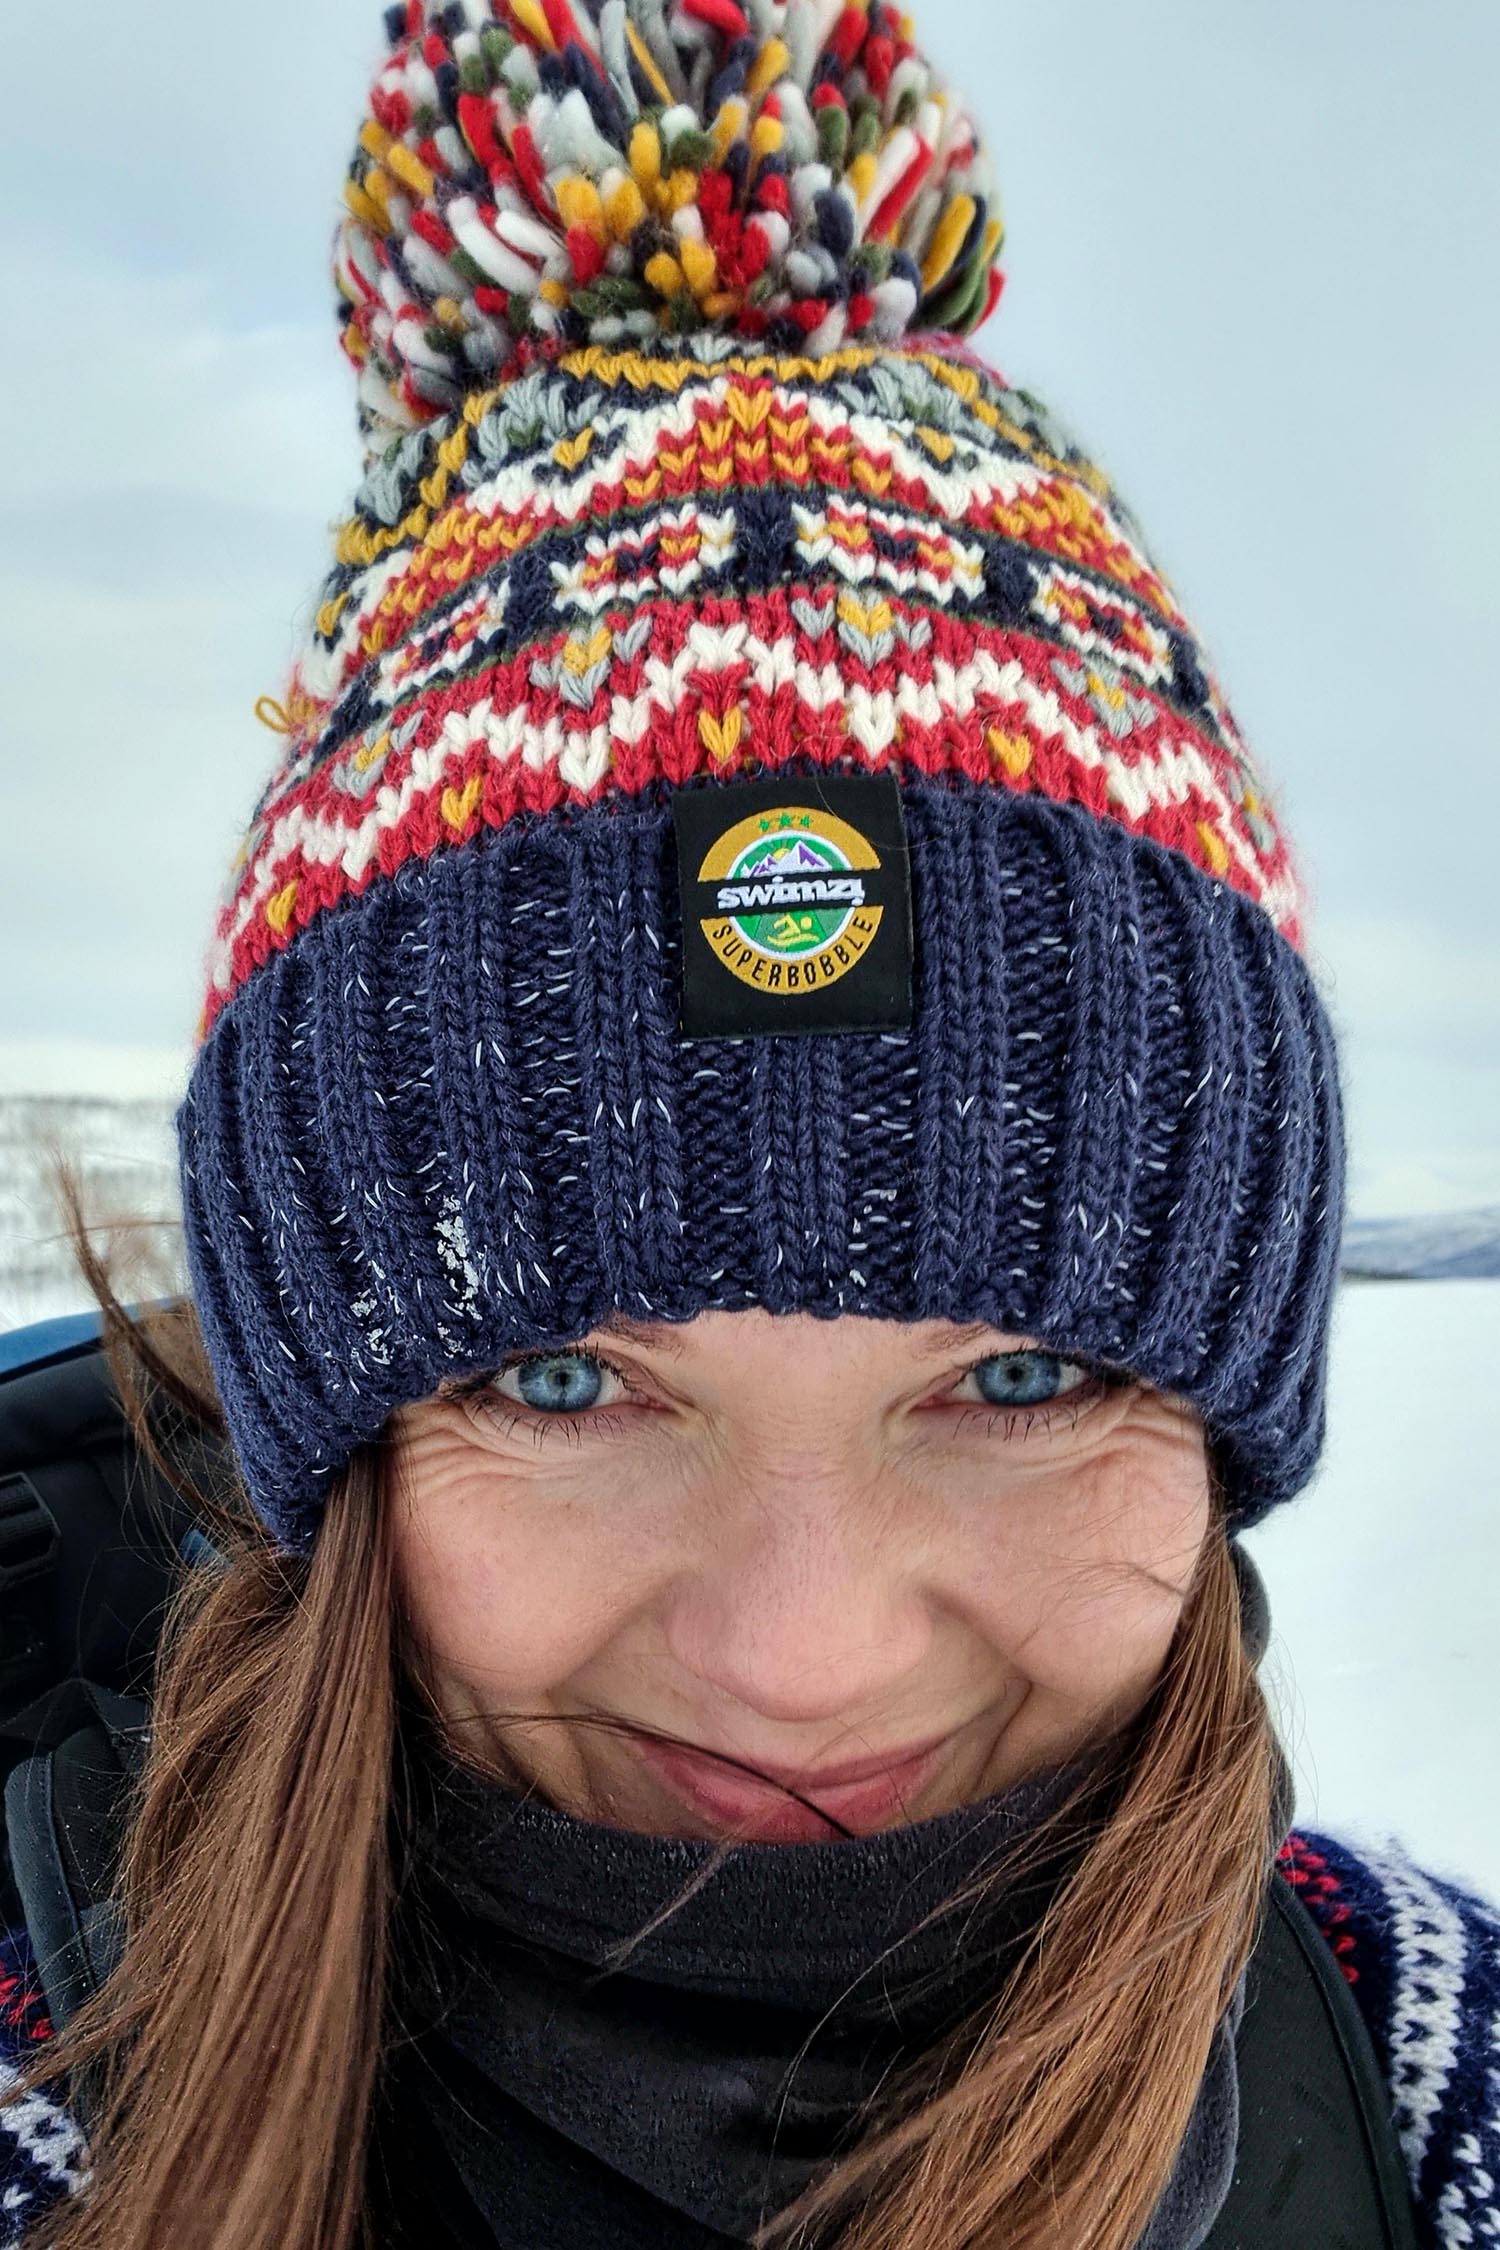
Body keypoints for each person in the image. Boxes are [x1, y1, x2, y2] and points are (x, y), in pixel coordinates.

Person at [2, 1, 1497, 2245]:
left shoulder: (1435, 2083)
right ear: (334, 1428)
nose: (805, 1660)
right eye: (566, 1373)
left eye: (1016, 1373)